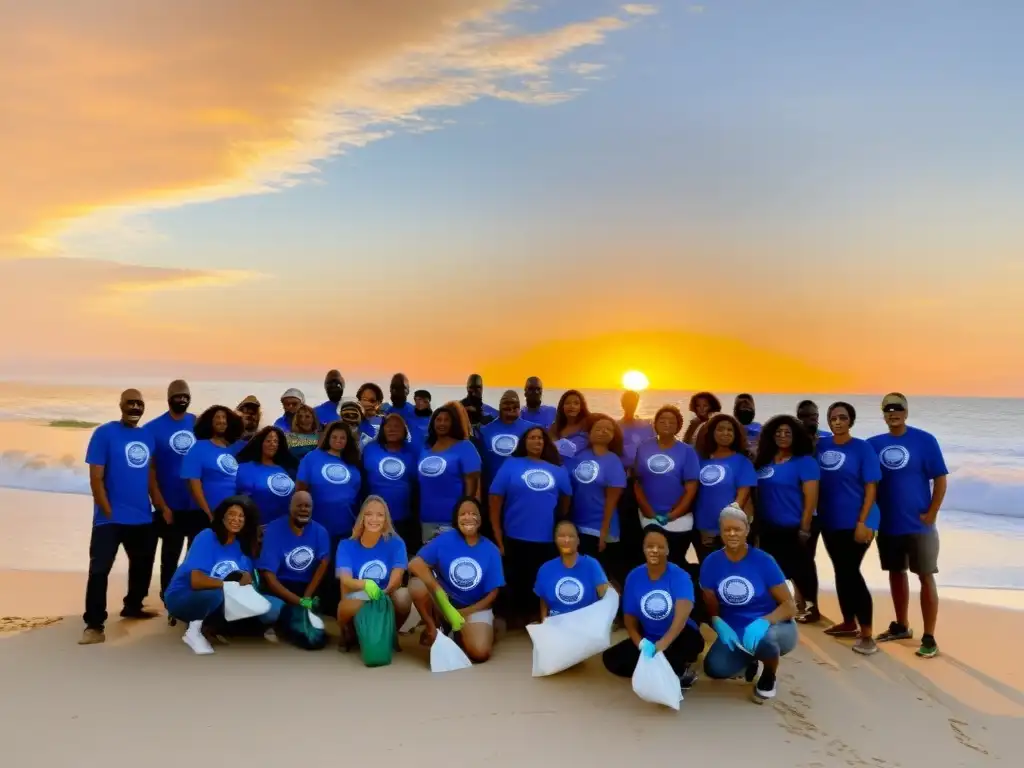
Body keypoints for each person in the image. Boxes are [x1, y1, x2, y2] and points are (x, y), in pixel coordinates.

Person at [868, 393, 948, 658]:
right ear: (883, 413)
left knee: (925, 576)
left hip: (919, 526)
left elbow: (940, 479)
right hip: (889, 524)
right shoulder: (873, 445)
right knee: (895, 573)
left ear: (906, 411)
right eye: (888, 409)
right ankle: (901, 625)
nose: (893, 412)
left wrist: (933, 513)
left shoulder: (924, 441)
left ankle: (929, 637)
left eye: (898, 408)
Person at [80, 388, 159, 645]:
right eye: (130, 403)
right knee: (100, 570)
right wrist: (106, 508)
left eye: (139, 403)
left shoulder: (147, 436)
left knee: (142, 566)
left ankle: (133, 606)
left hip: (142, 517)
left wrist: (160, 505)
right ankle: (94, 624)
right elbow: (96, 477)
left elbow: (150, 476)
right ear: (121, 405)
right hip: (109, 519)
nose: (135, 407)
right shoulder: (105, 433)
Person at [701, 504, 799, 703]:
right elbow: (710, 601)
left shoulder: (764, 561)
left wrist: (765, 620)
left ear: (747, 530)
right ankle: (749, 659)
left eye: (737, 529)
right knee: (715, 668)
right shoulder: (711, 562)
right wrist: (717, 622)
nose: (732, 534)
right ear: (720, 532)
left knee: (764, 640)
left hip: (773, 626)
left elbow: (790, 606)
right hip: (735, 630)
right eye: (726, 529)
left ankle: (769, 675)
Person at [164, 495, 278, 655]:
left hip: (222, 596)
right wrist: (230, 585)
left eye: (241, 516)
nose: (236, 519)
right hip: (184, 595)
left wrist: (247, 579)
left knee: (272, 608)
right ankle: (196, 630)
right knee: (218, 595)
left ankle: (218, 626)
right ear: (222, 516)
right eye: (231, 514)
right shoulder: (207, 536)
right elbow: (195, 581)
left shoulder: (242, 549)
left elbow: (248, 586)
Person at [488, 426, 572, 625]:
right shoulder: (511, 464)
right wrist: (497, 535)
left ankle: (537, 618)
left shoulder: (557, 470)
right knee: (515, 582)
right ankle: (512, 619)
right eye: (533, 438)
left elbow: (566, 501)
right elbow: (495, 500)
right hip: (514, 536)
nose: (537, 442)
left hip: (545, 539)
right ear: (525, 442)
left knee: (540, 582)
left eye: (541, 439)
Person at [602, 528, 704, 688]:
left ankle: (677, 669)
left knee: (682, 649)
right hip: (649, 636)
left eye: (660, 546)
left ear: (668, 550)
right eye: (649, 546)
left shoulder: (680, 576)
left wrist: (663, 643)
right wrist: (640, 643)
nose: (654, 550)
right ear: (643, 548)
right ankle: (670, 672)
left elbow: (681, 618)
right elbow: (629, 617)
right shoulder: (634, 576)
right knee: (611, 659)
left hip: (679, 635)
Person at [817, 402, 881, 654]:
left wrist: (863, 522)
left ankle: (867, 635)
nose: (838, 421)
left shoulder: (862, 448)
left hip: (859, 522)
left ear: (851, 421)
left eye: (843, 417)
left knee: (850, 572)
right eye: (833, 418)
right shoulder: (821, 446)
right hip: (830, 521)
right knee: (841, 571)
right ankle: (847, 622)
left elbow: (871, 488)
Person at [408, 497, 504, 662]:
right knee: (417, 585)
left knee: (479, 653)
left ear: (481, 518)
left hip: (475, 608)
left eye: (473, 513)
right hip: (445, 604)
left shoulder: (491, 549)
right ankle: (432, 628)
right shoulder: (445, 539)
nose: (468, 518)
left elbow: (493, 593)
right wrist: (438, 590)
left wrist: (463, 613)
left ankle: (474, 630)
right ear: (456, 519)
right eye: (463, 514)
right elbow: (414, 564)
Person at [753, 414, 821, 623]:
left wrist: (805, 526)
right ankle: (780, 606)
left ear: (796, 436)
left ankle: (810, 607)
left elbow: (811, 496)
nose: (782, 436)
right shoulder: (764, 461)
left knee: (802, 569)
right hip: (768, 526)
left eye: (787, 433)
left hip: (795, 525)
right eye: (778, 432)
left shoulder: (805, 462)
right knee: (773, 569)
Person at [295, 420, 363, 616]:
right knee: (316, 565)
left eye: (342, 438)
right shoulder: (312, 457)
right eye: (334, 437)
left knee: (337, 567)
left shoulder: (352, 463)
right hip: (316, 523)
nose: (338, 440)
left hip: (344, 524)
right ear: (327, 438)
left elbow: (356, 495)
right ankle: (311, 604)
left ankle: (333, 608)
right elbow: (301, 489)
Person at [144, 379, 202, 604]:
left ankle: (188, 593)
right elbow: (151, 470)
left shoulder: (197, 424)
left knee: (194, 555)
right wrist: (160, 504)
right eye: (178, 396)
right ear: (169, 398)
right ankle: (167, 595)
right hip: (170, 505)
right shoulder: (153, 428)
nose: (182, 399)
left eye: (186, 396)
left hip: (196, 504)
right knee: (170, 554)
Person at [334, 496, 412, 649]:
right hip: (358, 594)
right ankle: (347, 631)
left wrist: (382, 593)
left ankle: (389, 633)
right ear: (362, 517)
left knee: (404, 596)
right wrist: (366, 585)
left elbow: (397, 579)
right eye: (369, 514)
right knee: (346, 597)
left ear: (386, 519)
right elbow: (345, 579)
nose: (374, 519)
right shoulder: (346, 545)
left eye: (380, 515)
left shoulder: (396, 543)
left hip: (386, 596)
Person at [256, 491, 330, 644]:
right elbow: (269, 576)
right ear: (290, 507)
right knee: (278, 611)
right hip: (280, 586)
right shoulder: (274, 529)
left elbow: (323, 564)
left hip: (307, 586)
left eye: (307, 506)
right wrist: (299, 601)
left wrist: (307, 597)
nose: (304, 509)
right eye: (299, 505)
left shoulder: (320, 531)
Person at [634, 405, 700, 568]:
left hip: (679, 518)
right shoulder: (644, 447)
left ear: (679, 425)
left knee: (675, 562)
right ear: (655, 424)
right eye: (662, 420)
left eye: (672, 420)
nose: (667, 423)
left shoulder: (687, 451)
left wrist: (674, 514)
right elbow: (637, 482)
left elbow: (691, 487)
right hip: (649, 517)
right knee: (652, 563)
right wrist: (647, 509)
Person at [569, 413, 627, 585]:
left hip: (598, 527)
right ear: (590, 432)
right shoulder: (579, 456)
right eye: (598, 428)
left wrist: (604, 532)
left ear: (613, 436)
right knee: (579, 572)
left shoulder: (613, 461)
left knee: (598, 575)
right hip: (577, 523)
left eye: (608, 429)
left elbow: (612, 501)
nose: (603, 431)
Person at [693, 413, 757, 563]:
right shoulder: (700, 460)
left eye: (730, 430)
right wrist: (701, 529)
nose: (725, 433)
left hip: (731, 531)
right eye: (720, 429)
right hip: (703, 530)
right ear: (712, 433)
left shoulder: (742, 462)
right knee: (709, 577)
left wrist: (725, 529)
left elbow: (741, 499)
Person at [417, 404, 481, 542]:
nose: (442, 423)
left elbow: (473, 487)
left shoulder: (465, 447)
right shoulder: (425, 448)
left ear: (454, 423)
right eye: (438, 419)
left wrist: (466, 517)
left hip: (453, 521)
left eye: (447, 420)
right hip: (427, 519)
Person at [362, 413, 421, 554]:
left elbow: (417, 484)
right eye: (388, 426)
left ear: (405, 430)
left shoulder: (413, 452)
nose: (392, 429)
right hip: (373, 517)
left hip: (403, 518)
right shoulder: (370, 449)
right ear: (382, 429)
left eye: (397, 426)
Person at [181, 405, 244, 526]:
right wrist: (208, 513)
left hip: (232, 517)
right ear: (210, 422)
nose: (221, 421)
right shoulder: (198, 448)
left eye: (224, 417)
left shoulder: (235, 449)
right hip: (204, 515)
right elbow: (193, 484)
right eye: (217, 418)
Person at [535, 520, 610, 619]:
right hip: (557, 624)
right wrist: (544, 625)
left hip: (587, 623)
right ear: (555, 540)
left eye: (571, 536)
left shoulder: (591, 564)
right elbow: (543, 601)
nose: (566, 540)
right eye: (561, 536)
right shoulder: (545, 569)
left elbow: (605, 595)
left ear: (578, 540)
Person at [617, 390, 655, 570]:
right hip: (622, 482)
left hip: (644, 481)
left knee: (642, 524)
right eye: (627, 401)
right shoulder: (616, 425)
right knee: (625, 523)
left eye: (634, 401)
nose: (630, 404)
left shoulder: (647, 426)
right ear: (622, 403)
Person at [234, 426, 298, 525]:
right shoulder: (246, 468)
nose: (272, 444)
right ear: (261, 443)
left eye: (276, 441)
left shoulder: (287, 469)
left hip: (285, 527)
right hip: (257, 528)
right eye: (268, 441)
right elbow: (242, 501)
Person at [478, 390, 532, 493]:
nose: (510, 406)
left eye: (514, 404)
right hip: (492, 489)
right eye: (506, 403)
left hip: (522, 489)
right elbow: (481, 464)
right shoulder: (485, 430)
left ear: (519, 406)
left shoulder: (532, 429)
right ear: (499, 406)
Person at [549, 389, 592, 464]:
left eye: (576, 403)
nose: (572, 406)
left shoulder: (589, 424)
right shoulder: (555, 427)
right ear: (562, 407)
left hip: (584, 467)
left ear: (581, 407)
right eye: (567, 403)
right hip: (561, 465)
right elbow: (551, 449)